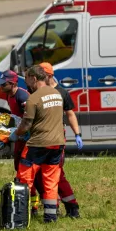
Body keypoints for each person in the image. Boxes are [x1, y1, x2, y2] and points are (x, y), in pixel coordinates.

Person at [13, 65, 65, 223]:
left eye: (27, 78)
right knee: (50, 180)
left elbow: (26, 125)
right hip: (57, 144)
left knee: (24, 179)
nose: (26, 82)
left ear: (34, 78)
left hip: (37, 144)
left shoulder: (33, 98)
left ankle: (20, 216)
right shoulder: (56, 94)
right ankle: (50, 216)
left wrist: (15, 134)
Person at [31, 62, 82, 218]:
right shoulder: (36, 91)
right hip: (40, 139)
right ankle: (52, 207)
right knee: (41, 175)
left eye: (42, 75)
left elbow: (70, 114)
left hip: (56, 138)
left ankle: (71, 207)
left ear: (49, 76)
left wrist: (78, 134)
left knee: (56, 175)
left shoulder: (61, 93)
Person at [0, 70, 29, 171]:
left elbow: (29, 118)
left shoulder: (22, 96)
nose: (0, 86)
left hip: (27, 135)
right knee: (17, 164)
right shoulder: (8, 95)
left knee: (25, 165)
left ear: (13, 84)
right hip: (19, 133)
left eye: (3, 84)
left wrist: (25, 133)